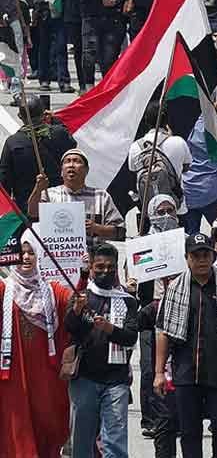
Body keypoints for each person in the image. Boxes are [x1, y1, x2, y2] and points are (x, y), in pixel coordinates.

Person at [155, 233, 217, 458]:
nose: (201, 260)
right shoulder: (174, 289)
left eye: (206, 254)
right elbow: (163, 332)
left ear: (213, 255)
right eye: (196, 255)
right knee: (189, 433)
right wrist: (159, 372)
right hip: (186, 374)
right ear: (187, 258)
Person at [0, 240, 74, 457]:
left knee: (48, 420)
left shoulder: (51, 290)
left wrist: (83, 282)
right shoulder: (4, 288)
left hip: (46, 373)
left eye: (31, 252)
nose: (25, 257)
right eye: (21, 253)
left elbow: (73, 304)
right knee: (18, 422)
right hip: (15, 372)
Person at [66, 243, 139, 458]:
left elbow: (130, 337)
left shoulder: (127, 301)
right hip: (85, 379)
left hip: (116, 380)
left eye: (110, 267)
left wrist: (109, 329)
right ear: (90, 266)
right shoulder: (81, 296)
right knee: (82, 438)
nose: (105, 271)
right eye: (99, 267)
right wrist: (77, 311)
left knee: (115, 440)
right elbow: (70, 329)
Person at [0, 93, 76, 212]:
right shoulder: (60, 133)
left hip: (26, 207)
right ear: (43, 114)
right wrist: (55, 120)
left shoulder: (13, 143)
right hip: (60, 204)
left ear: (20, 116)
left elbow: (4, 181)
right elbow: (72, 144)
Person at [28, 148, 126, 240]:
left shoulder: (100, 196)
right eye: (67, 161)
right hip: (58, 255)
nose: (71, 165)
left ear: (86, 170)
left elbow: (120, 231)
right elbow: (32, 213)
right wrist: (38, 188)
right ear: (61, 171)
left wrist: (96, 228)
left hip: (93, 255)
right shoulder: (49, 194)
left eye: (76, 161)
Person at [129, 102, 193, 214]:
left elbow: (133, 169)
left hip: (150, 210)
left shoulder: (136, 146)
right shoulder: (178, 141)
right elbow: (187, 167)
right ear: (167, 120)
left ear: (146, 121)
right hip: (176, 208)